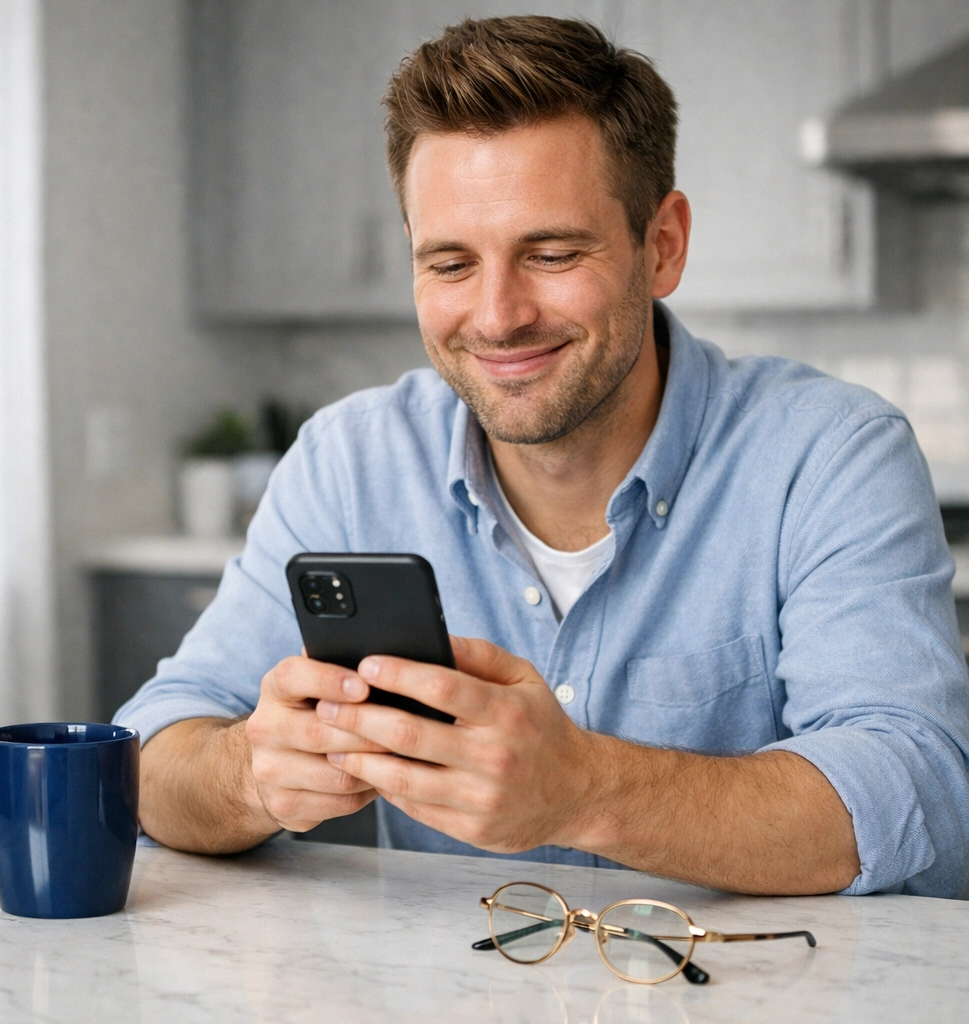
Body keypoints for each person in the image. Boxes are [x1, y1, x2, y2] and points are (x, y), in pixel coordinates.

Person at [116, 16, 969, 897]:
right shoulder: (349, 462)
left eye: (552, 253)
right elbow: (151, 754)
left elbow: (915, 788)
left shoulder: (829, 454)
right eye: (449, 264)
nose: (496, 316)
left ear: (663, 244)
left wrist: (583, 790)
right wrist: (252, 777)